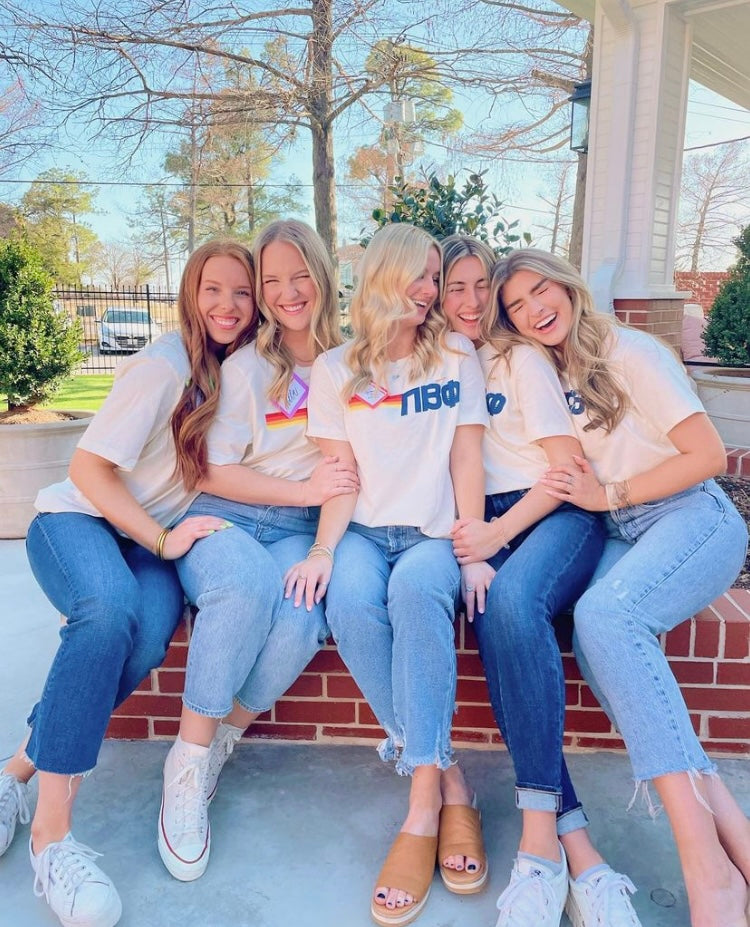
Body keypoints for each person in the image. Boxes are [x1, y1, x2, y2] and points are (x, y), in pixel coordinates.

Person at [0, 240, 259, 927]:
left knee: (144, 639)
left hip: (145, 536)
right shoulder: (163, 365)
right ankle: (50, 837)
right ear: (189, 292)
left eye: (243, 291)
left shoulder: (236, 370)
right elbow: (88, 471)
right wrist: (162, 539)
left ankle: (15, 771)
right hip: (80, 522)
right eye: (213, 288)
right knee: (109, 613)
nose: (228, 304)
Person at [495, 248, 749, 927]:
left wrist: (612, 493)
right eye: (516, 306)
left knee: (607, 617)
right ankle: (734, 836)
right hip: (626, 525)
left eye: (539, 290)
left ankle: (709, 872)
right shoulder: (547, 366)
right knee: (594, 637)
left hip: (691, 513)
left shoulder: (631, 350)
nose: (533, 309)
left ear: (568, 285)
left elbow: (708, 457)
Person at [285, 222, 491, 926]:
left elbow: (467, 455)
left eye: (437, 277)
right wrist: (321, 549)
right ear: (382, 274)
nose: (431, 290)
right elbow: (340, 476)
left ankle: (420, 802)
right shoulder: (339, 369)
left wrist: (473, 546)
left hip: (432, 533)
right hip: (366, 530)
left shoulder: (456, 354)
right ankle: (446, 774)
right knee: (346, 599)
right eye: (421, 274)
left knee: (414, 592)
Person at [443, 235, 643, 927]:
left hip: (554, 510)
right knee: (502, 616)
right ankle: (579, 850)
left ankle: (538, 848)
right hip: (487, 521)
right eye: (454, 288)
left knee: (515, 600)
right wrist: (476, 537)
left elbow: (563, 467)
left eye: (479, 287)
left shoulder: (517, 358)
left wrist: (495, 537)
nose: (469, 302)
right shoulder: (439, 366)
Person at [158, 218, 358, 882]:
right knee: (244, 588)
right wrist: (302, 490)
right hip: (227, 516)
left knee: (303, 618)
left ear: (322, 276)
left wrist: (324, 545)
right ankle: (183, 770)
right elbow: (210, 471)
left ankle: (220, 742)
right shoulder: (247, 366)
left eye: (299, 274)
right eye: (270, 280)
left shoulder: (352, 363)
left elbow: (346, 471)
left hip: (299, 530)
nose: (286, 291)